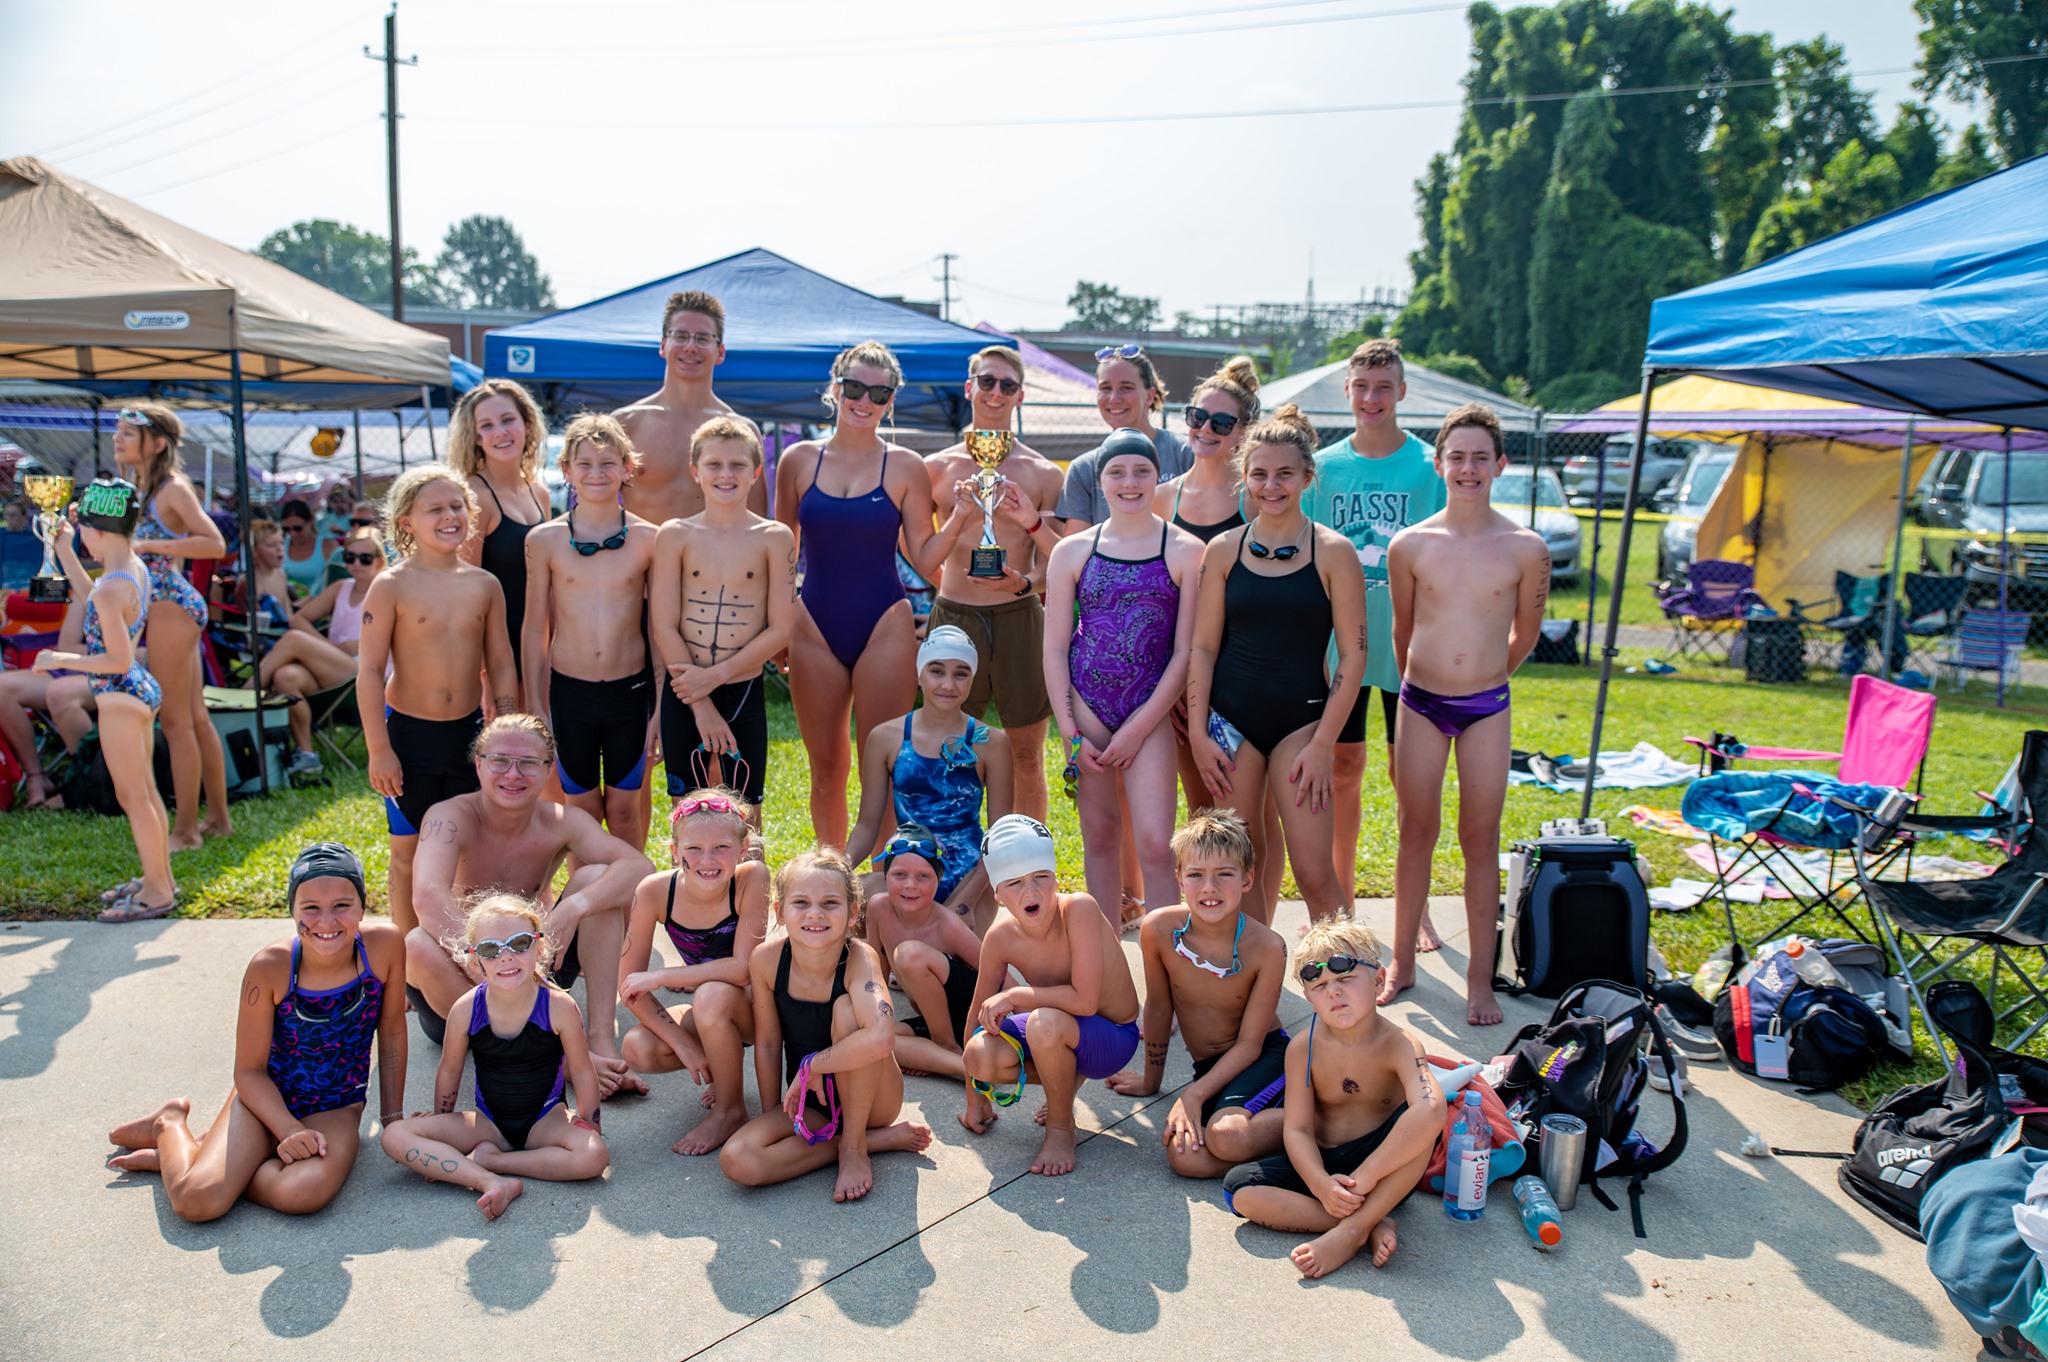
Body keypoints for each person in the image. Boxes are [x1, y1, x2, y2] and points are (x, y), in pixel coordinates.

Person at [106, 844, 408, 1222]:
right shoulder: (270, 968)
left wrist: (393, 1120)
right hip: (264, 1098)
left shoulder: (386, 946)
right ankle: (168, 1123)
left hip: (336, 1106)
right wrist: (286, 1130)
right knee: (197, 1201)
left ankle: (212, 1163)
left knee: (305, 1192)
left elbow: (393, 1032)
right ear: (292, 911)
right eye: (310, 907)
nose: (326, 921)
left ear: (363, 906)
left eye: (342, 906)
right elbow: (248, 1071)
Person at [775, 340, 976, 846]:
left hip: (884, 625)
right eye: (855, 388)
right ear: (835, 388)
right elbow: (778, 552)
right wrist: (776, 626)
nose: (865, 401)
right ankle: (829, 879)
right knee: (826, 767)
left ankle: (884, 886)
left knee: (881, 764)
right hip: (813, 625)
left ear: (891, 401)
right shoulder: (798, 461)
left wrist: (962, 518)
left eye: (879, 392)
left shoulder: (905, 465)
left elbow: (924, 557)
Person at [1384, 402, 1547, 1026]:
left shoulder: (1525, 548)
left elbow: (1525, 634)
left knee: (1479, 840)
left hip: (1486, 706)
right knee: (1413, 831)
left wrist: (1482, 680)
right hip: (1420, 702)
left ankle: (1480, 978)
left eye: (1481, 457)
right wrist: (1425, 683)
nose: (1469, 468)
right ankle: (1402, 962)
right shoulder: (1411, 545)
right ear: (1439, 463)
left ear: (1500, 464)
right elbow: (1403, 630)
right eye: (1458, 456)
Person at [403, 714, 653, 1095]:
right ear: (478, 763)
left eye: (528, 763)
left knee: (593, 880)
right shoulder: (449, 817)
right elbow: (426, 896)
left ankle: (600, 1040)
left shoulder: (562, 821)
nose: (513, 774)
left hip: (537, 965)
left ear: (548, 769)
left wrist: (572, 908)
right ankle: (566, 1058)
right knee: (417, 944)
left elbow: (640, 868)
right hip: (466, 986)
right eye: (500, 760)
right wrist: (491, 964)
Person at [1185, 405, 1366, 926]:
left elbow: (1354, 655)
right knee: (1241, 866)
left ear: (1307, 476)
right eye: (1260, 473)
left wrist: (1323, 744)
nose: (1272, 485)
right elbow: (1202, 648)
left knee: (1313, 871)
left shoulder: (1335, 553)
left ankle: (1345, 985)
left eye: (1285, 473)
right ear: (1245, 476)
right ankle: (1254, 990)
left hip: (1302, 726)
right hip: (1231, 724)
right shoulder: (1222, 551)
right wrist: (1199, 732)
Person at [1307, 339, 1449, 933]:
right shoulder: (1326, 466)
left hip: (1408, 648)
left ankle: (1413, 912)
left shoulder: (1427, 467)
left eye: (1383, 387)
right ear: (1347, 390)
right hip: (1340, 648)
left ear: (1402, 392)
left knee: (1407, 776)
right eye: (1362, 387)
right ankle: (1342, 908)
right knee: (1342, 772)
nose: (1372, 398)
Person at [1220, 917, 1445, 1279]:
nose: (1334, 993)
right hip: (1324, 1165)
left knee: (1424, 1122)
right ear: (1308, 998)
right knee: (1239, 1191)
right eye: (1320, 986)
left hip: (1383, 1171)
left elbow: (1432, 1109)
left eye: (1345, 979)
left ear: (1379, 980)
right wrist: (1319, 1184)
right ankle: (1369, 1222)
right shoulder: (1302, 1048)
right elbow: (1297, 1131)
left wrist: (1367, 1177)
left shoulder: (1400, 1044)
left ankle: (1350, 1232)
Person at [1042, 426, 1201, 921]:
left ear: (1158, 476)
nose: (1129, 482)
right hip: (1086, 712)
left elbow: (1184, 653)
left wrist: (1138, 728)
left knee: (1156, 845)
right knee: (1101, 838)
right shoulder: (1072, 551)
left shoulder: (1186, 551)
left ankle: (1166, 970)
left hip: (1148, 716)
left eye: (1141, 471)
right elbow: (1053, 648)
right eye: (1117, 471)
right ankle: (1105, 965)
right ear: (1098, 479)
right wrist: (1070, 731)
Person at [720, 848, 934, 1202]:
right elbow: (770, 1043)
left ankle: (855, 1146)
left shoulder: (859, 958)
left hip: (874, 1101)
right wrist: (774, 1112)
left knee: (848, 1010)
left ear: (852, 913)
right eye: (801, 902)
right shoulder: (766, 961)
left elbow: (880, 1040)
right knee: (738, 1161)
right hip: (812, 1100)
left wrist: (815, 1064)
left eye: (830, 903)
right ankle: (874, 1141)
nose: (815, 914)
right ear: (779, 911)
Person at [358, 465, 517, 938]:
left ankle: (472, 952)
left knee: (471, 849)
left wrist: (505, 729)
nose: (449, 516)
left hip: (468, 734)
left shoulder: (484, 585)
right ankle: (407, 962)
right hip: (409, 733)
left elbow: (501, 662)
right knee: (407, 850)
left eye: (456, 507)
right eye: (435, 509)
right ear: (406, 522)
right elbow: (367, 672)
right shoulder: (391, 585)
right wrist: (378, 748)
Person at [381, 892, 610, 1219]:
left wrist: (590, 1126)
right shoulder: (466, 1010)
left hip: (546, 1120)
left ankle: (490, 1162)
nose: (506, 957)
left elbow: (584, 1071)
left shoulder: (559, 1007)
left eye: (519, 943)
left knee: (594, 1156)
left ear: (539, 947)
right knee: (395, 1135)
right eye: (490, 949)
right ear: (475, 960)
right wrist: (440, 1121)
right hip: (487, 1123)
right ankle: (489, 1181)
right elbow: (449, 1071)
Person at [1156, 357, 1287, 920]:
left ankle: (1259, 933)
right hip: (1177, 682)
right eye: (1196, 417)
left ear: (1242, 434)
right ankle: (1214, 930)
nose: (1205, 430)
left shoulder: (1256, 501)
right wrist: (1179, 693)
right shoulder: (1162, 499)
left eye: (1221, 423)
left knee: (1253, 821)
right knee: (1201, 813)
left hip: (1240, 684)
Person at [922, 345, 1065, 821]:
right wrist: (943, 580)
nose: (996, 392)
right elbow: (915, 546)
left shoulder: (1043, 473)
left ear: (1020, 395)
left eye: (1007, 385)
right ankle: (946, 862)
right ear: (970, 387)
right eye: (987, 381)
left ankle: (1026, 864)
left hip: (1019, 618)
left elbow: (1057, 559)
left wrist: (1022, 586)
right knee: (948, 746)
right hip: (953, 617)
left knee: (1026, 752)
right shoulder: (937, 468)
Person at [1105, 809, 1289, 1178]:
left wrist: (1193, 1094)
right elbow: (1157, 1007)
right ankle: (1287, 1143)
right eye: (1196, 875)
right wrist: (1150, 1081)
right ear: (1179, 879)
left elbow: (1251, 1046)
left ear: (1248, 878)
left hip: (1266, 1060)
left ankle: (1315, 1121)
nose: (1209, 888)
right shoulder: (1158, 929)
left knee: (1225, 1137)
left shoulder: (1267, 948)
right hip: (1210, 1069)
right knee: (1183, 1157)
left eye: (1225, 874)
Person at [959, 815, 1142, 1178]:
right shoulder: (999, 938)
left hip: (1112, 1036)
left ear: (1056, 878)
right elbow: (976, 1017)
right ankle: (1061, 1085)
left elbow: (1086, 1003)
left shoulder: (1079, 909)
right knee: (979, 1054)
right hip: (1058, 1027)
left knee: (1045, 1023)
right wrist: (975, 1097)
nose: (1031, 891)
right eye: (1015, 883)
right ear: (997, 893)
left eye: (1041, 877)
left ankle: (1060, 1127)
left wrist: (1014, 997)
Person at [33, 477, 178, 920]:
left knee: (133, 797)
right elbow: (93, 598)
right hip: (137, 690)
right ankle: (161, 877)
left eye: (85, 532)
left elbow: (115, 659)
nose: (84, 540)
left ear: (100, 531)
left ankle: (157, 891)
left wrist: (58, 658)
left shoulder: (115, 585)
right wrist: (63, 551)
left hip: (119, 693)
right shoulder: (129, 569)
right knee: (147, 793)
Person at [523, 414, 660, 852]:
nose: (596, 473)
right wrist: (534, 704)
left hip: (631, 693)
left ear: (627, 468)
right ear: (566, 470)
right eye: (584, 464)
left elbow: (659, 630)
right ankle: (586, 915)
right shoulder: (544, 540)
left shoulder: (649, 538)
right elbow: (534, 628)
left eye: (608, 463)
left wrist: (658, 710)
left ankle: (631, 914)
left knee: (624, 811)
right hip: (570, 694)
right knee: (579, 814)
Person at [650, 415, 797, 809]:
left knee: (748, 813)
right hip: (684, 691)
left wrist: (713, 678)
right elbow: (663, 623)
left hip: (742, 687)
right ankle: (684, 874)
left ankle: (749, 873)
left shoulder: (774, 536)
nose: (725, 474)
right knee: (686, 812)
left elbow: (781, 628)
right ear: (695, 472)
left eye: (737, 465)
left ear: (755, 472)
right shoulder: (674, 534)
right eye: (714, 464)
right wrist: (699, 701)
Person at [618, 788, 771, 1155]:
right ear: (674, 852)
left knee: (711, 994)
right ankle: (723, 1070)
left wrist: (663, 976)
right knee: (638, 1047)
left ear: (743, 847)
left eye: (721, 847)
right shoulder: (655, 892)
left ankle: (730, 1111)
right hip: (710, 1008)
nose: (708, 859)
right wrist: (683, 1044)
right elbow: (629, 988)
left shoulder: (752, 877)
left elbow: (741, 971)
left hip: (761, 1009)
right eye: (693, 849)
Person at [113, 404, 232, 852]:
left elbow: (213, 542)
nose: (118, 439)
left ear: (157, 443)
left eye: (129, 432)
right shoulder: (139, 487)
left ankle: (184, 830)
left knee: (176, 721)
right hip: (161, 602)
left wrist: (147, 543)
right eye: (117, 432)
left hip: (169, 603)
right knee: (195, 717)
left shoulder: (172, 488)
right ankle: (217, 819)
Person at [845, 626, 1012, 921]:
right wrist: (836, 872)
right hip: (907, 877)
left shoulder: (991, 743)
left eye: (961, 673)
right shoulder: (886, 738)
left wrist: (964, 904)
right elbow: (867, 825)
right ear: (919, 675)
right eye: (937, 671)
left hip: (969, 882)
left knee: (952, 961)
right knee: (846, 903)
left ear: (973, 678)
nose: (948, 684)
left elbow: (998, 839)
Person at [616, 290, 769, 524]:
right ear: (663, 345)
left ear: (720, 352)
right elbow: (593, 515)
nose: (690, 347)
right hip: (644, 560)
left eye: (702, 338)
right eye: (681, 336)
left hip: (715, 561)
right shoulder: (625, 424)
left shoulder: (742, 431)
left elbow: (757, 527)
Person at [257, 526, 386, 780]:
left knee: (293, 640)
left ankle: (247, 697)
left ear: (380, 560)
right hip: (333, 666)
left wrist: (361, 643)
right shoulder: (341, 587)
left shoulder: (386, 589)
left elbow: (402, 636)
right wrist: (325, 646)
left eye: (365, 558)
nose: (356, 563)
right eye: (350, 557)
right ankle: (307, 755)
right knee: (286, 676)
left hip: (366, 675)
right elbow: (299, 619)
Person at [449, 378, 552, 690]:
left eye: (508, 420)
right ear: (476, 437)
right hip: (497, 654)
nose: (501, 432)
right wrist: (483, 674)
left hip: (536, 645)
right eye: (488, 425)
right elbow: (465, 594)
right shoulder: (473, 497)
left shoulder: (539, 492)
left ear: (527, 424)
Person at [867, 823, 984, 1080]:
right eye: (900, 875)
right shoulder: (878, 909)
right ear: (885, 876)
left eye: (923, 876)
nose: (911, 885)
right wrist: (875, 1022)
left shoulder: (949, 925)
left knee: (910, 955)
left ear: (938, 880)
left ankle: (944, 1049)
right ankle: (962, 1068)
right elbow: (876, 976)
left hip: (972, 1022)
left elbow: (1002, 980)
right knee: (869, 1040)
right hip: (935, 1024)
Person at [1052, 345, 1193, 533]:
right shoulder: (1083, 468)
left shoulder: (1184, 454)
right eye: (1105, 388)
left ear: (1150, 396)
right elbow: (1076, 548)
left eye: (1126, 388)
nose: (1114, 398)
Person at [1, 591, 94, 809]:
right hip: (80, 666)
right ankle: (37, 776)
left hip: (126, 673)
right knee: (2, 688)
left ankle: (87, 781)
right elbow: (68, 646)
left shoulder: (157, 583)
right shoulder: (90, 586)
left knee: (61, 693)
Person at [234, 519, 295, 624]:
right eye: (271, 545)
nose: (279, 549)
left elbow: (287, 611)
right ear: (254, 552)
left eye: (281, 543)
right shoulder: (250, 582)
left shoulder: (281, 575)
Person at [276, 499, 327, 601]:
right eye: (287, 529)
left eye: (298, 528)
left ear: (311, 521)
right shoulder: (280, 546)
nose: (293, 534)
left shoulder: (327, 546)